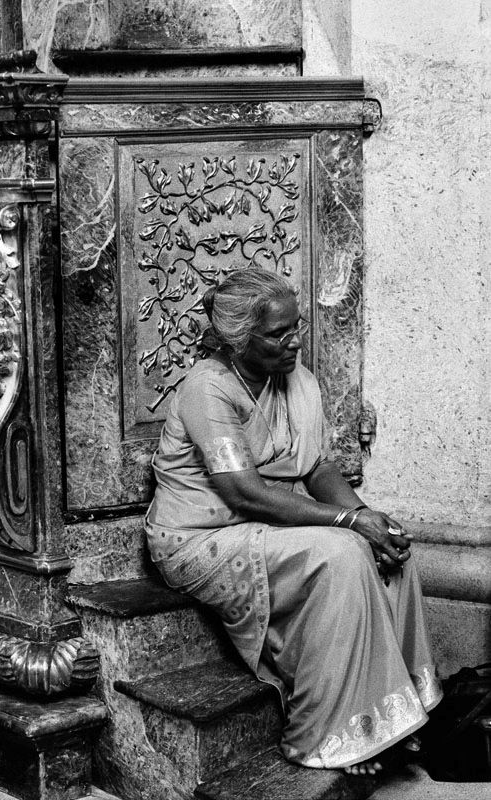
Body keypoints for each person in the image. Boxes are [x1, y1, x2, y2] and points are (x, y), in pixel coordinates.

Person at [144, 269, 442, 775]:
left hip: (265, 524)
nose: (295, 340)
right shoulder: (207, 388)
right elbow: (244, 491)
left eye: (295, 326)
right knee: (343, 554)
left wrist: (366, 516)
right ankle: (331, 731)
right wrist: (348, 521)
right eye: (279, 333)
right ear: (239, 340)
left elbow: (317, 467)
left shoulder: (298, 379)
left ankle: (391, 714)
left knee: (386, 545)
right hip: (198, 539)